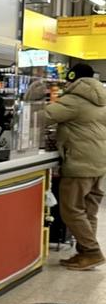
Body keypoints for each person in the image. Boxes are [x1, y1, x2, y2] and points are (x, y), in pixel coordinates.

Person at [45, 61, 106, 270]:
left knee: (71, 209)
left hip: (80, 161)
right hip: (99, 161)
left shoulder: (74, 100)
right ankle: (84, 253)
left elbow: (42, 117)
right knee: (88, 210)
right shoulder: (101, 98)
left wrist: (30, 101)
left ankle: (92, 252)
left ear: (73, 79)